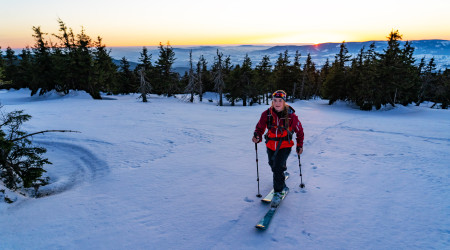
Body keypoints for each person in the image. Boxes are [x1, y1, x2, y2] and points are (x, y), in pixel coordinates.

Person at [252, 90, 304, 207]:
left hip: (285, 145)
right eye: (275, 100)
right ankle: (280, 174)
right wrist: (257, 136)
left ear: (284, 102)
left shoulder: (292, 116)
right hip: (270, 145)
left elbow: (300, 131)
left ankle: (278, 192)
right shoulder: (267, 114)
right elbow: (259, 128)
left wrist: (299, 144)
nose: (277, 103)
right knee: (272, 164)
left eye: (280, 100)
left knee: (277, 168)